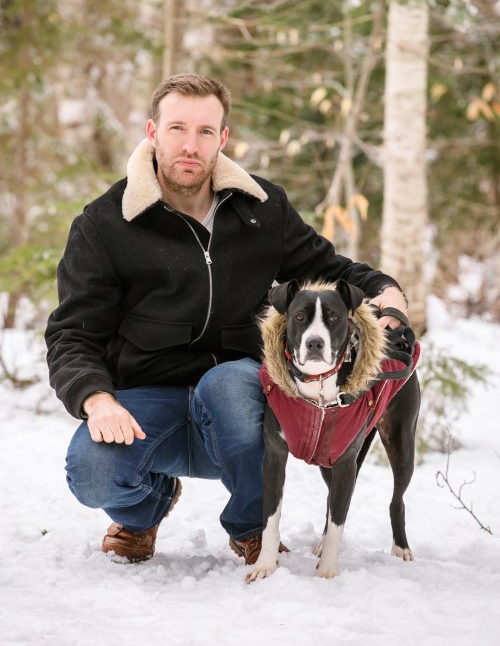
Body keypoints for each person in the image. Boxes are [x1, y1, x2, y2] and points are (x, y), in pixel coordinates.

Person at [45, 73, 408, 565]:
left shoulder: (262, 208)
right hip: (146, 401)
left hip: (240, 397)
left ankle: (252, 526)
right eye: (177, 128)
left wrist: (388, 295)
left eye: (205, 131)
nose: (190, 145)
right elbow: (72, 332)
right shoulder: (106, 223)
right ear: (152, 133)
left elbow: (331, 269)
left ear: (223, 137)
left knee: (227, 385)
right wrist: (97, 399)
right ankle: (144, 511)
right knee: (91, 470)